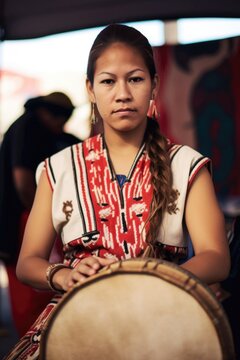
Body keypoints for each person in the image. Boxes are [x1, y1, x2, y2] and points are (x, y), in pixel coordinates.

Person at [4, 24, 230, 359]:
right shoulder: (58, 169)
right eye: (108, 81)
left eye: (135, 79)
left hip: (165, 307)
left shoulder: (186, 165)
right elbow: (27, 263)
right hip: (76, 311)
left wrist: (151, 280)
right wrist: (63, 275)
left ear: (154, 84)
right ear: (90, 90)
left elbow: (216, 258)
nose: (122, 93)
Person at [0, 91, 80, 337]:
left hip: (20, 221)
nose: (62, 125)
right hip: (19, 222)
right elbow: (23, 182)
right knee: (30, 296)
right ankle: (34, 343)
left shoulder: (41, 130)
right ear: (48, 112)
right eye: (61, 118)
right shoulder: (29, 127)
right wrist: (45, 218)